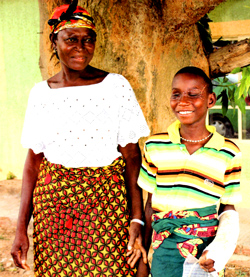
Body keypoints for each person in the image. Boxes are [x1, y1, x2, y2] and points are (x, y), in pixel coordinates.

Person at [11, 1, 149, 276]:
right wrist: (20, 229)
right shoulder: (41, 94)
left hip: (107, 204)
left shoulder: (115, 86)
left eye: (88, 40)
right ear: (55, 40)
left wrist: (137, 218)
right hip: (54, 208)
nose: (81, 48)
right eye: (71, 39)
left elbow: (132, 156)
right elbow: (33, 162)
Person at [137, 66, 242, 277]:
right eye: (176, 94)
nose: (183, 101)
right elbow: (150, 205)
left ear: (211, 100)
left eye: (193, 94)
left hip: (205, 251)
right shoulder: (155, 145)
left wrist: (219, 250)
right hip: (164, 249)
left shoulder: (228, 152)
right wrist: (143, 257)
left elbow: (227, 208)